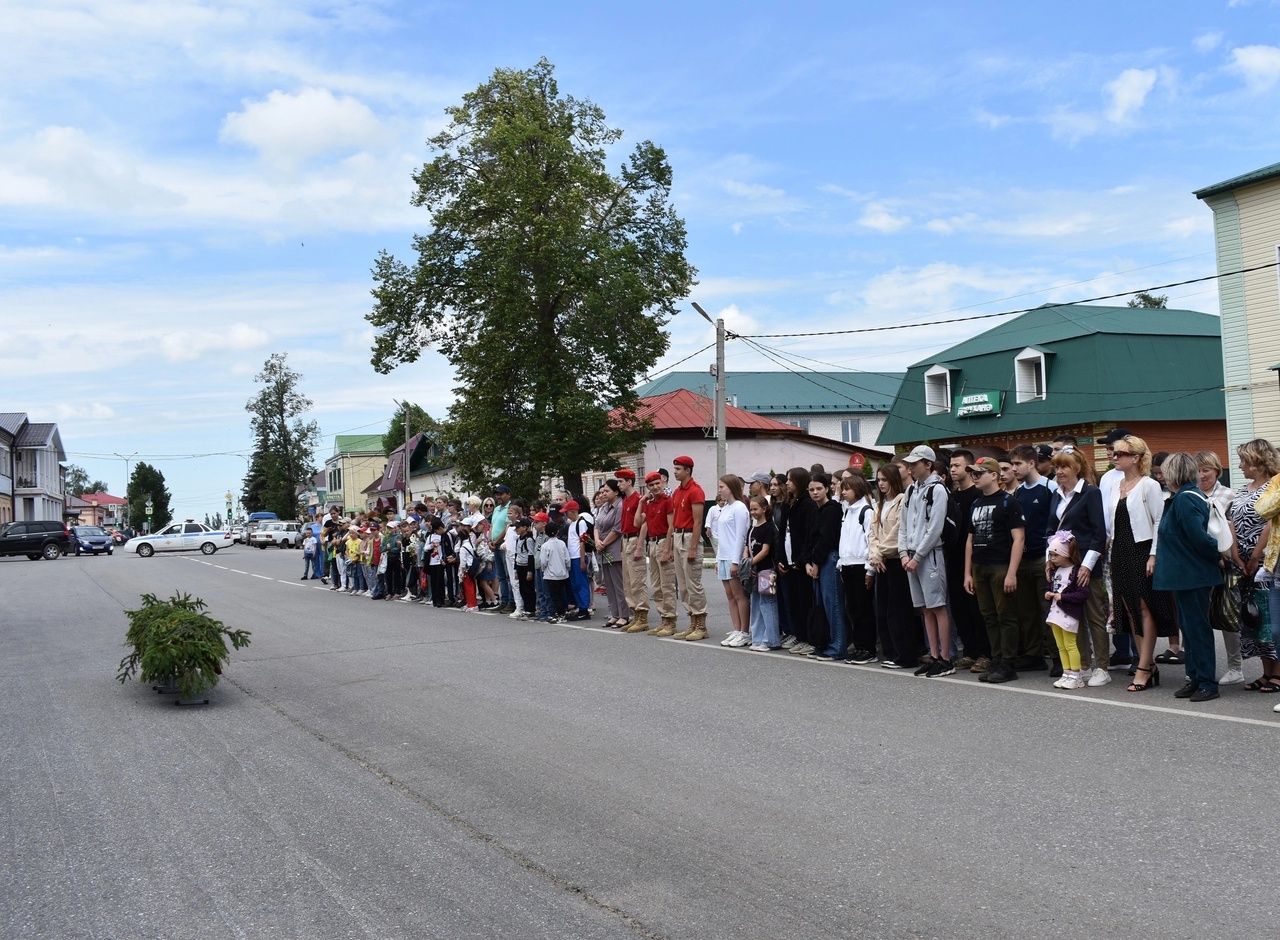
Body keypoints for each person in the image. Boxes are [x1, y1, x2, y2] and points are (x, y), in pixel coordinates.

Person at [1155, 452, 1226, 703]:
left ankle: (1206, 681)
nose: (1161, 476)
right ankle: (1195, 678)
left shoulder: (1185, 499)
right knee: (1190, 628)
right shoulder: (1182, 497)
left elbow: (1198, 537)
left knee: (1197, 630)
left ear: (1174, 472)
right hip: (1185, 574)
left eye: (1164, 471)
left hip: (1192, 574)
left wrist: (1216, 554)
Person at [1103, 435, 1171, 693]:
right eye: (1115, 453)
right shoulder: (1116, 483)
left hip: (1141, 550)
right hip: (1119, 551)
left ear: (1137, 457)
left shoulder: (1149, 485)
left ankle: (1144, 666)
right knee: (1129, 608)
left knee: (1144, 607)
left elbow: (1158, 522)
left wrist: (1153, 555)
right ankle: (1148, 664)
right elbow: (1112, 523)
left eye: (1121, 453)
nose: (1115, 457)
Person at [963, 457, 1025, 683]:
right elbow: (969, 540)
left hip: (1000, 565)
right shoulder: (976, 503)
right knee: (988, 616)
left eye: (980, 473)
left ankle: (1008, 662)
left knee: (1005, 615)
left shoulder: (1009, 502)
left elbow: (1018, 539)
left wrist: (1011, 572)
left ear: (994, 475)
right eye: (973, 473)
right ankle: (996, 659)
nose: (975, 477)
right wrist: (967, 573)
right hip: (980, 565)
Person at [1228, 439, 1280, 691]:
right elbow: (1232, 519)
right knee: (1253, 617)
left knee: (1269, 617)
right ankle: (1265, 671)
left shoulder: (1274, 486)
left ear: (1257, 462)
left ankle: (1277, 672)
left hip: (1265, 561)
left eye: (1243, 461)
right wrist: (1236, 552)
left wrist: (1255, 555)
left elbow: (1270, 524)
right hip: (1242, 562)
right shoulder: (1242, 490)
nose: (1239, 466)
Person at [900, 445, 954, 677]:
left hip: (930, 555)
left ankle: (946, 658)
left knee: (938, 606)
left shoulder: (938, 490)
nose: (911, 467)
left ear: (928, 464)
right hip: (911, 555)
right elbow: (904, 525)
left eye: (915, 463)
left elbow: (935, 528)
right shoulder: (912, 490)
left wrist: (918, 555)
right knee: (924, 608)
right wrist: (903, 552)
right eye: (910, 463)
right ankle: (933, 654)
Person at [1197, 451, 1243, 685]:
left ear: (1217, 471)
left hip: (1224, 561)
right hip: (1197, 562)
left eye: (1206, 470)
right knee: (1198, 616)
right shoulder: (1191, 494)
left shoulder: (1228, 495)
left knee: (1227, 614)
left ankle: (1235, 667)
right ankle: (1201, 668)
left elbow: (1232, 530)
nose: (1202, 474)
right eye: (1198, 470)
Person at [868, 463, 919, 668]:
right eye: (878, 480)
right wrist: (874, 555)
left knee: (899, 611)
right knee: (883, 610)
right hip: (881, 562)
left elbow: (898, 531)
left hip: (897, 560)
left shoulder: (902, 500)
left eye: (884, 480)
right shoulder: (879, 505)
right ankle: (890, 652)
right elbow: (873, 533)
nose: (880, 484)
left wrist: (880, 551)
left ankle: (905, 654)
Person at [1010, 444, 1053, 673]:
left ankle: (1056, 657)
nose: (1014, 468)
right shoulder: (1018, 491)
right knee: (1026, 611)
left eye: (1018, 464)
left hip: (1043, 558)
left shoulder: (1049, 487)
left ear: (1032, 463)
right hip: (1023, 559)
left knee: (1048, 609)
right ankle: (1033, 654)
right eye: (1013, 464)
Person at [947, 448, 990, 672]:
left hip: (974, 561)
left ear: (969, 467)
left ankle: (985, 653)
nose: (953, 469)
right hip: (953, 560)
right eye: (951, 466)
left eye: (957, 465)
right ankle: (970, 651)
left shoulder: (978, 496)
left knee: (977, 609)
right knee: (960, 609)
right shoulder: (952, 496)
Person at [804, 472, 845, 661]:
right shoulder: (813, 509)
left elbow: (827, 538)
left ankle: (837, 646)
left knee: (833, 604)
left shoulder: (833, 508)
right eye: (811, 489)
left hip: (829, 558)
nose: (815, 492)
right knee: (820, 605)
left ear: (827, 488)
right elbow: (808, 539)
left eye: (819, 488)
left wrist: (816, 563)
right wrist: (807, 562)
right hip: (816, 561)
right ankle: (824, 643)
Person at [1045, 531, 1091, 690]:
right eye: (1050, 555)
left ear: (1066, 554)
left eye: (1055, 555)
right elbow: (1054, 587)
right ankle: (1066, 673)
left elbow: (1083, 594)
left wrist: (1063, 598)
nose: (1052, 559)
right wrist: (1049, 593)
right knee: (1061, 646)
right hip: (1055, 613)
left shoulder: (1076, 571)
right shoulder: (1054, 571)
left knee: (1070, 644)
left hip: (1069, 614)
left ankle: (1076, 675)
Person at [838, 475, 877, 664]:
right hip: (847, 564)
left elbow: (870, 540)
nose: (843, 492)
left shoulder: (866, 511)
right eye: (842, 488)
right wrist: (841, 561)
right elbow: (844, 539)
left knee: (864, 609)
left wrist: (870, 570)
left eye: (847, 488)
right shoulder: (847, 511)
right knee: (852, 608)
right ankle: (859, 645)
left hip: (861, 565)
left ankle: (868, 648)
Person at [670, 456, 708, 640]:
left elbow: (698, 521)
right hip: (678, 536)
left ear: (688, 470)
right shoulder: (677, 492)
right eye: (675, 468)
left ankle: (701, 625)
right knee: (683, 585)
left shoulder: (695, 491)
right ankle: (692, 621)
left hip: (689, 537)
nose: (675, 472)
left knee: (693, 584)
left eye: (678, 469)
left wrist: (693, 547)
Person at [782, 467, 817, 655]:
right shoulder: (790, 503)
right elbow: (784, 533)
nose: (787, 483)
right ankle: (799, 634)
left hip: (802, 562)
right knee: (794, 602)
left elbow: (807, 536)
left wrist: (802, 559)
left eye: (790, 480)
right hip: (789, 561)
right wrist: (782, 558)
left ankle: (809, 638)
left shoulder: (807, 504)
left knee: (806, 603)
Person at [715, 475, 751, 647]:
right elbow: (721, 536)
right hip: (723, 556)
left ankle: (745, 631)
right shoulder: (725, 508)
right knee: (730, 596)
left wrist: (735, 561)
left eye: (722, 486)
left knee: (739, 595)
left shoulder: (739, 508)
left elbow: (740, 537)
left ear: (731, 487)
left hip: (733, 557)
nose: (720, 489)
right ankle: (736, 629)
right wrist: (718, 559)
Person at [593, 480, 631, 628]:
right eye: (602, 492)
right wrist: (597, 541)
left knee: (618, 583)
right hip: (603, 549)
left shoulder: (620, 506)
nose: (603, 494)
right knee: (608, 583)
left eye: (606, 491)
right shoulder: (604, 507)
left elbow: (617, 529)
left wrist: (603, 543)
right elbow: (596, 525)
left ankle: (624, 614)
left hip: (613, 548)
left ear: (616, 492)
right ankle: (614, 614)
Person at [746, 494, 780, 651]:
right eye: (751, 509)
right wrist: (747, 562)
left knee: (768, 604)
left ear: (764, 509)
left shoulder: (769, 528)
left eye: (756, 509)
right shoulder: (751, 529)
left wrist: (749, 563)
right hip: (754, 571)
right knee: (756, 604)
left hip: (768, 570)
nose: (753, 512)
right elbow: (747, 548)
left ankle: (771, 640)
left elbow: (765, 551)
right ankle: (757, 638)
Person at [616, 469, 645, 631]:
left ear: (629, 481)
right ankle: (635, 614)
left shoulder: (637, 499)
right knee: (627, 582)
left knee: (636, 580)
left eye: (621, 481)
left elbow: (642, 524)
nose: (619, 484)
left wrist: (640, 546)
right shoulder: (626, 500)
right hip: (625, 539)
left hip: (634, 539)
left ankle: (642, 616)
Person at [563, 500, 593, 620]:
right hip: (572, 557)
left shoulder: (581, 523)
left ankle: (584, 608)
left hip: (578, 557)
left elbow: (583, 541)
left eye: (567, 512)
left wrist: (582, 560)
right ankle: (579, 606)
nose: (566, 515)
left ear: (573, 511)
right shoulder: (572, 524)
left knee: (581, 583)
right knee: (575, 583)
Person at [540, 520, 571, 621]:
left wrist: (543, 569)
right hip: (562, 574)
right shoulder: (562, 543)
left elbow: (543, 561)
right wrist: (567, 568)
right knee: (561, 594)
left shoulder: (545, 546)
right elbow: (567, 559)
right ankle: (562, 612)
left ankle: (553, 613)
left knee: (552, 595)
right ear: (557, 532)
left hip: (550, 575)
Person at [512, 517, 536, 618]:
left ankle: (531, 609)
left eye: (518, 527)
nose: (516, 529)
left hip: (526, 567)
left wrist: (530, 571)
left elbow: (531, 555)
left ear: (525, 528)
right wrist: (515, 569)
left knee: (528, 588)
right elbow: (517, 554)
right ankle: (526, 608)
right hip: (520, 566)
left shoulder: (529, 540)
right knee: (522, 588)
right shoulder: (518, 539)